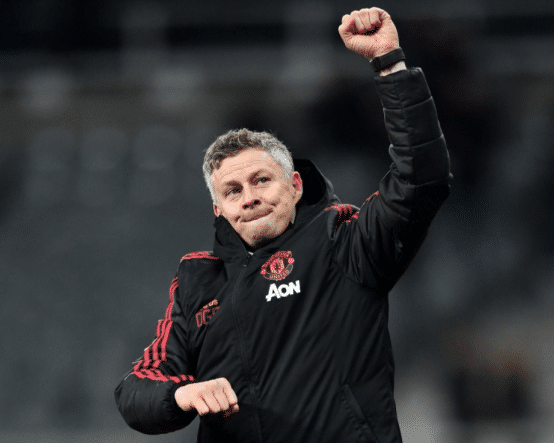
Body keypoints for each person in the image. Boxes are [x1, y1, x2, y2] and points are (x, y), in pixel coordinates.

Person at [115, 7, 451, 442]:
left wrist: (389, 63)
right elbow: (135, 390)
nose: (249, 197)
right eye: (232, 191)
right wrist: (181, 394)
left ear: (294, 186)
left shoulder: (343, 241)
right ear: (218, 209)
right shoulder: (198, 281)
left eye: (261, 180)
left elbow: (420, 179)